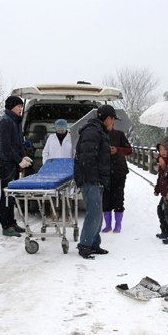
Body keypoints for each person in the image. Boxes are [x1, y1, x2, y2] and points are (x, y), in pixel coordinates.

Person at [73, 105, 114, 259]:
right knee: (94, 213)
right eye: (113, 120)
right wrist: (94, 179)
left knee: (98, 213)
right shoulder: (93, 131)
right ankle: (84, 245)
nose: (113, 123)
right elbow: (86, 159)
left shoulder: (98, 131)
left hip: (96, 179)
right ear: (108, 118)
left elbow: (94, 155)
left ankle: (94, 243)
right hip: (91, 180)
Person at [0, 95, 32, 237]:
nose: (20, 109)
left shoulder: (15, 121)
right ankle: (6, 225)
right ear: (11, 107)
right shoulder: (6, 122)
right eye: (18, 107)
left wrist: (23, 157)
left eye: (21, 107)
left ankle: (11, 222)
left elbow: (18, 143)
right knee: (6, 195)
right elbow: (6, 146)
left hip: (13, 163)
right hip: (6, 164)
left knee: (12, 195)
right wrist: (18, 160)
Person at [100, 112, 132, 233]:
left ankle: (118, 224)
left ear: (113, 120)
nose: (108, 121)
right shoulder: (99, 134)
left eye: (111, 119)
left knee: (119, 198)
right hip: (104, 171)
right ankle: (107, 224)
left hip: (119, 170)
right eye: (106, 118)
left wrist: (117, 149)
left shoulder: (119, 134)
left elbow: (129, 150)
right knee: (105, 199)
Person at [42, 119, 74, 221]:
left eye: (62, 130)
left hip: (67, 169)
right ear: (55, 129)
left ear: (66, 128)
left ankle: (67, 214)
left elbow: (75, 152)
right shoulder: (51, 138)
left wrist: (73, 165)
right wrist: (47, 165)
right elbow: (45, 152)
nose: (60, 131)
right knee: (54, 191)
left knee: (68, 192)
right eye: (59, 130)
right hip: (53, 169)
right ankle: (54, 212)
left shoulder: (71, 138)